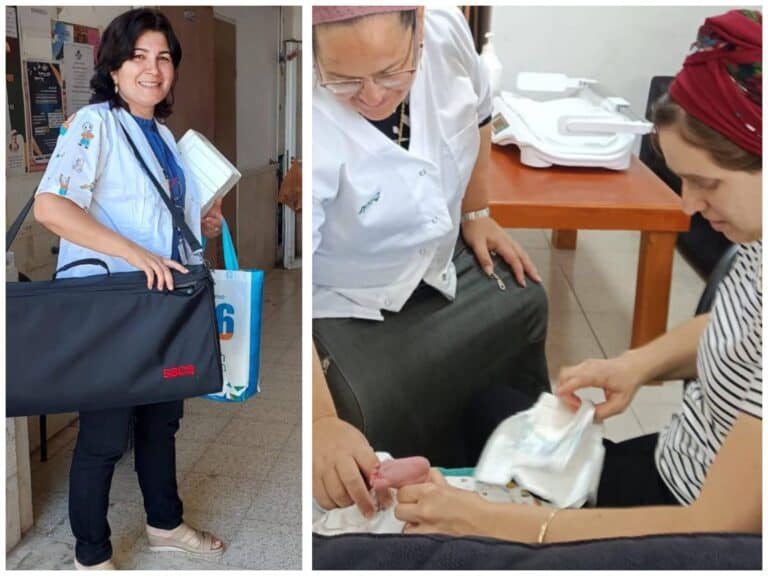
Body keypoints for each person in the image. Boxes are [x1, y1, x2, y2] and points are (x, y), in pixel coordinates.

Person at [394, 9, 762, 543]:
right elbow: (738, 326)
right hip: (675, 459)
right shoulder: (757, 239)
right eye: (683, 181)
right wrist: (633, 365)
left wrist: (484, 520)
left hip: (692, 528)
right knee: (484, 409)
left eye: (708, 183)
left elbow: (715, 527)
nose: (689, 205)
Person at [312, 6, 549, 517]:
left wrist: (477, 211)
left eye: (390, 72)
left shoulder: (445, 27)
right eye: (344, 80)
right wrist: (319, 424)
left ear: (418, 26)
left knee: (525, 299)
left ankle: (512, 476)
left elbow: (480, 112)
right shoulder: (310, 117)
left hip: (440, 258)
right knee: (366, 401)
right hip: (348, 296)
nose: (373, 96)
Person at [34, 9, 224, 569]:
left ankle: (165, 524)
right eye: (138, 56)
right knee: (105, 434)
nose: (152, 69)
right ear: (114, 68)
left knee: (162, 422)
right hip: (111, 305)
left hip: (162, 303)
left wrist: (201, 225)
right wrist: (133, 252)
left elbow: (155, 217)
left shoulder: (164, 136)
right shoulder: (94, 124)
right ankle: (91, 555)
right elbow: (51, 207)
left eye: (163, 57)